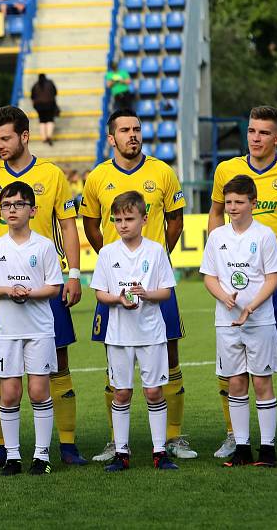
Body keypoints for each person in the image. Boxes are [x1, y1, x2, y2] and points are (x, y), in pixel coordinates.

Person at [0, 105, 86, 468]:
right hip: (2, 284)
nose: (0, 145)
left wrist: (74, 275)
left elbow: (68, 225)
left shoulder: (51, 175)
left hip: (45, 282)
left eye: (6, 138)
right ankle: (4, 446)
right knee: (2, 369)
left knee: (58, 362)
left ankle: (66, 444)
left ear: (24, 136)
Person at [82, 108, 195, 461]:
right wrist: (112, 263)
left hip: (153, 282)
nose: (133, 135)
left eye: (137, 129)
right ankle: (116, 441)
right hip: (116, 283)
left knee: (170, 355)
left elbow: (175, 221)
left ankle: (174, 437)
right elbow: (90, 224)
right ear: (111, 137)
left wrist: (153, 261)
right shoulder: (97, 177)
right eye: (125, 130)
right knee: (113, 358)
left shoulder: (162, 172)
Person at [208, 105, 277, 459]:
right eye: (252, 131)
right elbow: (214, 214)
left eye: (264, 132)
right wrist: (217, 255)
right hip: (234, 278)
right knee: (232, 358)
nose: (256, 138)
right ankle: (233, 435)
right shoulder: (227, 170)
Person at [0, 181, 63, 476]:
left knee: (39, 391)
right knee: (9, 394)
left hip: (39, 330)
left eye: (18, 205)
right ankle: (12, 456)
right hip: (6, 331)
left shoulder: (44, 245)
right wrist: (8, 290)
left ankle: (41, 455)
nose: (11, 210)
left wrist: (27, 292)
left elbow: (54, 286)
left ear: (32, 210)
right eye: (6, 205)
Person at [90, 191, 179, 472]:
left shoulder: (155, 251)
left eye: (129, 218)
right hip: (118, 336)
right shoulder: (107, 253)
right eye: (117, 220)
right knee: (121, 393)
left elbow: (166, 291)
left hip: (151, 333)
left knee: (153, 392)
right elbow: (100, 294)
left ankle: (160, 451)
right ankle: (121, 452)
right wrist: (118, 299)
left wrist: (147, 294)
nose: (123, 224)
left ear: (144, 219)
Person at [200, 175, 277, 467]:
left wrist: (252, 306)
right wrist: (224, 297)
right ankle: (242, 447)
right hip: (226, 323)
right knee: (235, 383)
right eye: (229, 202)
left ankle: (268, 448)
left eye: (239, 202)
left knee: (262, 382)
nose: (232, 208)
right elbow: (209, 276)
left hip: (260, 321)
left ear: (253, 203)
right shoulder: (217, 236)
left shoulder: (265, 235)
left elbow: (273, 277)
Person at [30, 74, 58, 146]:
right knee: (50, 120)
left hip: (39, 106)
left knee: (42, 121)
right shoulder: (50, 83)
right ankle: (49, 135)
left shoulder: (35, 85)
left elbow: (32, 97)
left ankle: (44, 137)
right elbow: (55, 92)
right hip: (50, 104)